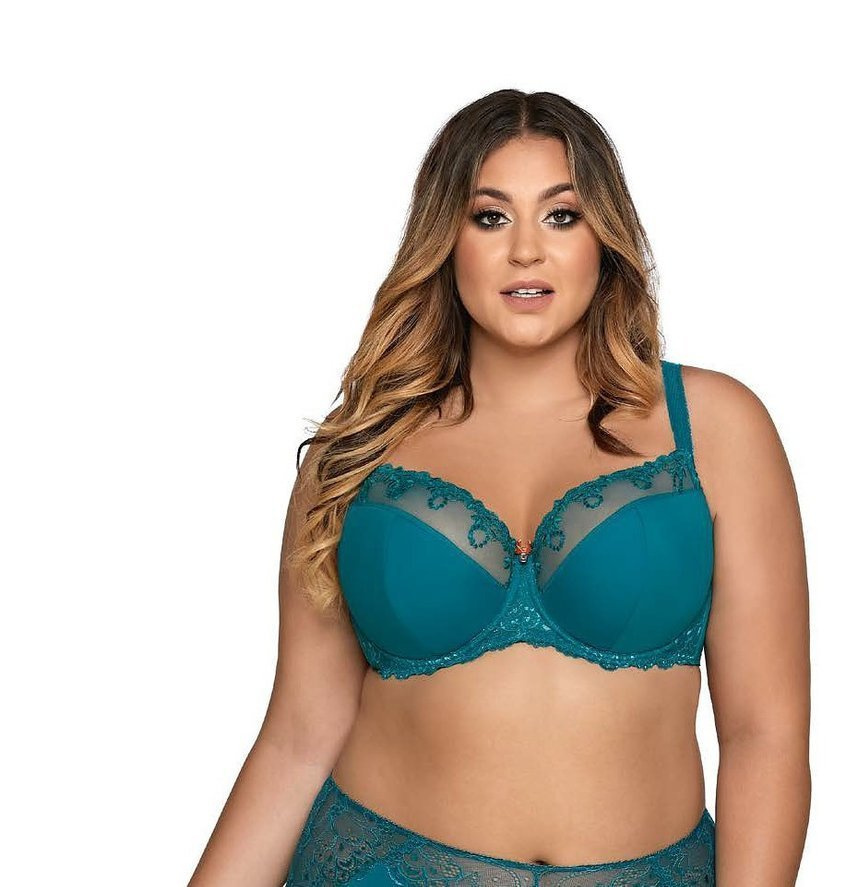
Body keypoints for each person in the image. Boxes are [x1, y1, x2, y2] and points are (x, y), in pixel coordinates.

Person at [189, 89, 811, 887]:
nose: (526, 251)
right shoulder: (361, 448)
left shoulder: (716, 428)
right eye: (490, 217)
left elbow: (766, 736)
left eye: (561, 216)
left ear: (603, 238)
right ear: (446, 241)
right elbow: (297, 739)